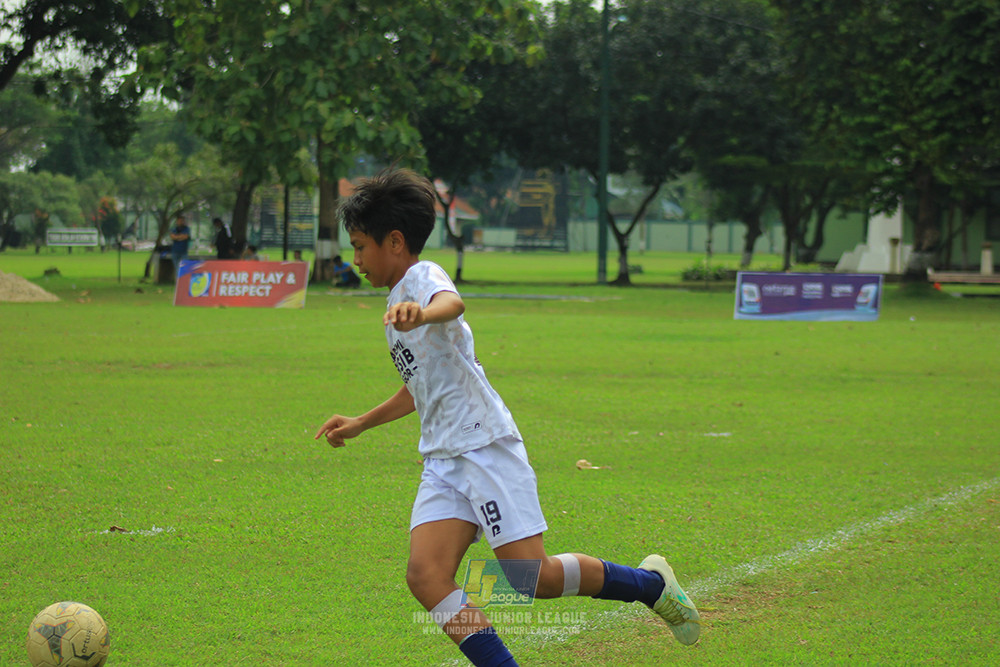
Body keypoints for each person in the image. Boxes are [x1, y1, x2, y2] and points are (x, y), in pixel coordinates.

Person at [314, 168, 700, 667]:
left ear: (395, 241)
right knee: (426, 575)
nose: (356, 259)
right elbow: (419, 390)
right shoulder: (394, 305)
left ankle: (650, 585)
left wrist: (423, 313)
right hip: (443, 458)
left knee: (530, 578)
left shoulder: (421, 278)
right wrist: (361, 422)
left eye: (361, 246)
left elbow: (453, 303)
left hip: (483, 446)